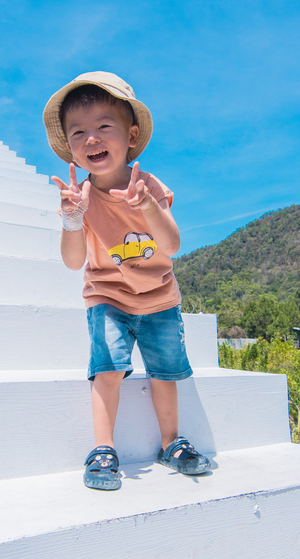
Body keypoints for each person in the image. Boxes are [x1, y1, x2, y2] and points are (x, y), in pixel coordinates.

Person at [43, 71, 211, 490]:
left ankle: (172, 443)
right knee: (108, 370)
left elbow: (171, 244)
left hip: (160, 300)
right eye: (78, 132)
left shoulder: (149, 185)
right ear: (70, 147)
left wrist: (147, 205)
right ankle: (104, 449)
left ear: (131, 136)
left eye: (104, 126)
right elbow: (72, 261)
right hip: (107, 298)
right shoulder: (79, 197)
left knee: (165, 373)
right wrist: (71, 218)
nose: (91, 139)